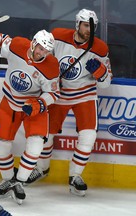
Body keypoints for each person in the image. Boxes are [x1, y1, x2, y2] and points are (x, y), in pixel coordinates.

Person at [28, 9, 113, 197]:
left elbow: (106, 83)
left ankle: (75, 176)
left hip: (85, 95)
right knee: (46, 135)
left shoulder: (100, 48)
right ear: (77, 24)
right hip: (60, 94)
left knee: (88, 137)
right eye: (85, 25)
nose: (89, 29)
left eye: (92, 26)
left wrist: (100, 72)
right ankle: (42, 168)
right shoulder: (57, 36)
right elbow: (41, 58)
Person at [0, 28, 60, 204]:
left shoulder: (51, 65)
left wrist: (40, 103)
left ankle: (19, 182)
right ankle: (8, 180)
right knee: (1, 145)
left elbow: (53, 93)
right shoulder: (18, 45)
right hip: (10, 102)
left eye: (46, 51)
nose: (41, 53)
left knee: (36, 147)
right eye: (40, 48)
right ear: (34, 43)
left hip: (33, 107)